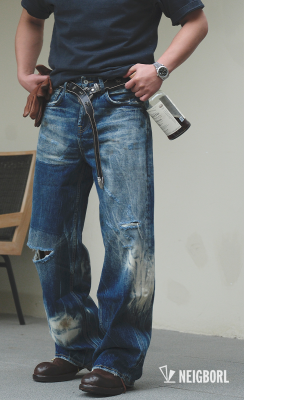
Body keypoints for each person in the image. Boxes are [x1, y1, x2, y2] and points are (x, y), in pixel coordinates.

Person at [15, 0, 208, 396]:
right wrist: (24, 72)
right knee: (50, 238)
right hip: (60, 104)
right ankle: (74, 345)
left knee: (127, 238)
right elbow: (31, 18)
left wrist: (159, 69)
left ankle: (118, 360)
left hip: (119, 105)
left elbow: (196, 22)